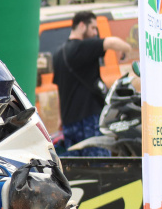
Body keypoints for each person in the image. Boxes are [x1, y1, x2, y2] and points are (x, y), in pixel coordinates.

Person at [52, 10, 130, 157]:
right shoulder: (83, 47)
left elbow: (59, 90)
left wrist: (60, 118)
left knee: (78, 172)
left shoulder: (57, 54)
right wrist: (126, 49)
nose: (95, 33)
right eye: (93, 28)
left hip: (69, 123)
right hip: (89, 120)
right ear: (82, 25)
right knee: (99, 167)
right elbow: (112, 42)